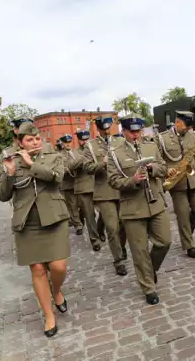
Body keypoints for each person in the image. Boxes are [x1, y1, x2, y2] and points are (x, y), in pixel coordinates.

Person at [0, 122, 70, 337]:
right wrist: (9, 174)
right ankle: (49, 316)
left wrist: (31, 164)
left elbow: (58, 178)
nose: (35, 142)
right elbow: (2, 196)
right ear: (20, 141)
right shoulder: (10, 161)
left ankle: (56, 290)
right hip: (27, 222)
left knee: (58, 266)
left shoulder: (53, 155)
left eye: (37, 138)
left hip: (54, 217)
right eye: (29, 139)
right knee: (37, 269)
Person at [107, 114, 172, 305]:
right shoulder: (115, 153)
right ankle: (148, 287)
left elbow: (164, 167)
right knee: (140, 250)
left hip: (156, 204)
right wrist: (132, 181)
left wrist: (153, 169)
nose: (136, 135)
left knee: (164, 241)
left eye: (138, 131)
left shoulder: (151, 146)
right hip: (132, 208)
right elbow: (112, 180)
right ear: (124, 132)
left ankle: (149, 271)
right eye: (131, 131)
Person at [156, 111, 195, 258]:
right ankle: (189, 245)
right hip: (176, 183)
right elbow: (158, 160)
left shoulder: (194, 136)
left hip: (194, 179)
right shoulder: (162, 138)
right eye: (186, 126)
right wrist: (166, 171)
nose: (188, 129)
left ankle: (187, 232)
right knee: (183, 213)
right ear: (177, 122)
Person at [84, 116, 128, 276]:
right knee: (112, 227)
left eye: (108, 128)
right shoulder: (90, 145)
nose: (106, 131)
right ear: (98, 129)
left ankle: (121, 247)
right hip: (104, 191)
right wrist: (101, 164)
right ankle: (118, 260)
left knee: (124, 225)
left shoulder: (120, 142)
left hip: (122, 189)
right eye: (103, 128)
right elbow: (87, 167)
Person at [72, 127, 101, 251]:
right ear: (78, 140)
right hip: (84, 188)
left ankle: (100, 230)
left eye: (87, 139)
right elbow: (70, 166)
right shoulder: (74, 152)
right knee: (89, 216)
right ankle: (95, 240)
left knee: (105, 213)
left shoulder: (95, 148)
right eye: (82, 140)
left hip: (98, 185)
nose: (85, 142)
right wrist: (84, 156)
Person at [57, 134, 83, 234]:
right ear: (62, 144)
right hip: (67, 183)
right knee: (73, 205)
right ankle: (78, 225)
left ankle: (79, 219)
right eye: (66, 143)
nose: (68, 144)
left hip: (79, 183)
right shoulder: (59, 155)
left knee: (82, 205)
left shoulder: (76, 152)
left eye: (69, 142)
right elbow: (63, 168)